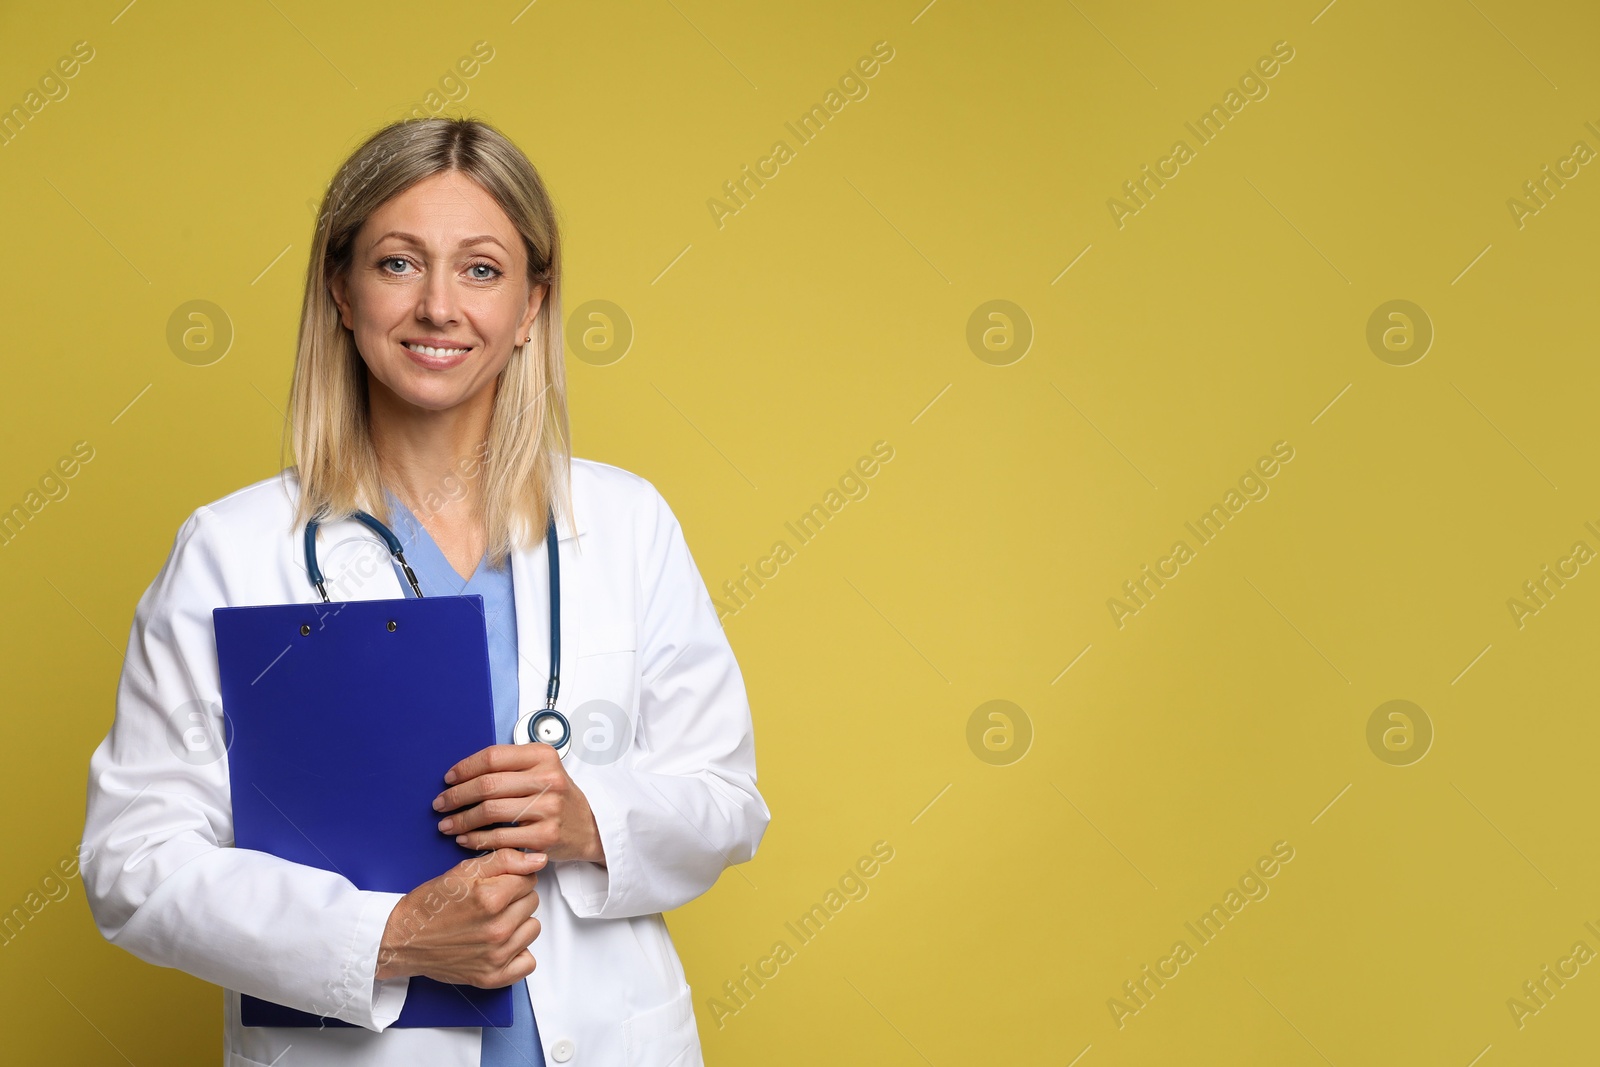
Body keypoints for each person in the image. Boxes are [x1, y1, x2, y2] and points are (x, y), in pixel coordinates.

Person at [79, 116, 770, 1067]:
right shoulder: (231, 549)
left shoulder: (626, 522)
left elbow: (726, 800)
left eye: (482, 269)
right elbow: (133, 865)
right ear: (340, 291)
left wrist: (592, 816)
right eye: (399, 263)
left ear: (532, 304)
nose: (439, 305)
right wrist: (389, 937)